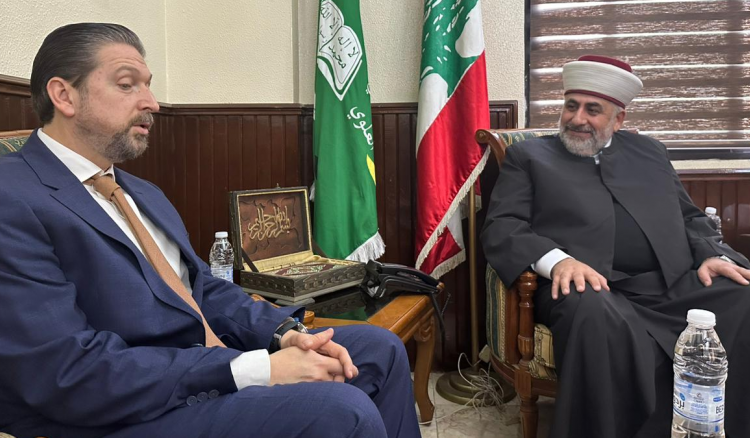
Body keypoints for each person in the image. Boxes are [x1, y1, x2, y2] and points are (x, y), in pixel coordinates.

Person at [0, 23, 420, 438]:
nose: (152, 103)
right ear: (64, 95)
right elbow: (66, 371)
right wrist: (255, 369)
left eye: (149, 85)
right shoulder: (12, 196)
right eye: (127, 85)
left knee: (378, 351)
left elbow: (202, 287)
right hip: (115, 409)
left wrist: (285, 335)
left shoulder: (141, 193)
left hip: (195, 369)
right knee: (341, 411)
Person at [482, 55, 750, 438]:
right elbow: (502, 226)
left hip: (667, 284)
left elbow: (689, 216)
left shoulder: (650, 152)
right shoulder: (529, 157)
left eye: (592, 110)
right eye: (571, 106)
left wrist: (710, 253)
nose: (577, 119)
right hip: (589, 290)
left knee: (741, 295)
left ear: (618, 119)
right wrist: (557, 262)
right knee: (592, 311)